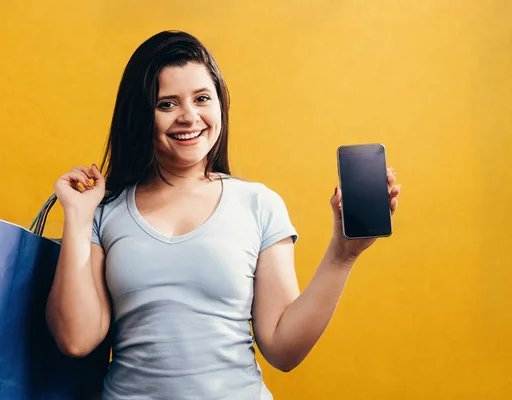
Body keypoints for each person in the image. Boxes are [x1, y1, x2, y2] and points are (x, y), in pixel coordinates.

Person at [45, 30, 401, 400]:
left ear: (220, 104)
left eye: (202, 98)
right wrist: (77, 217)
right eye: (166, 104)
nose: (189, 116)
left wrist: (343, 255)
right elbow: (76, 339)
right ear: (140, 114)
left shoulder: (257, 204)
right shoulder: (106, 212)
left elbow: (282, 348)